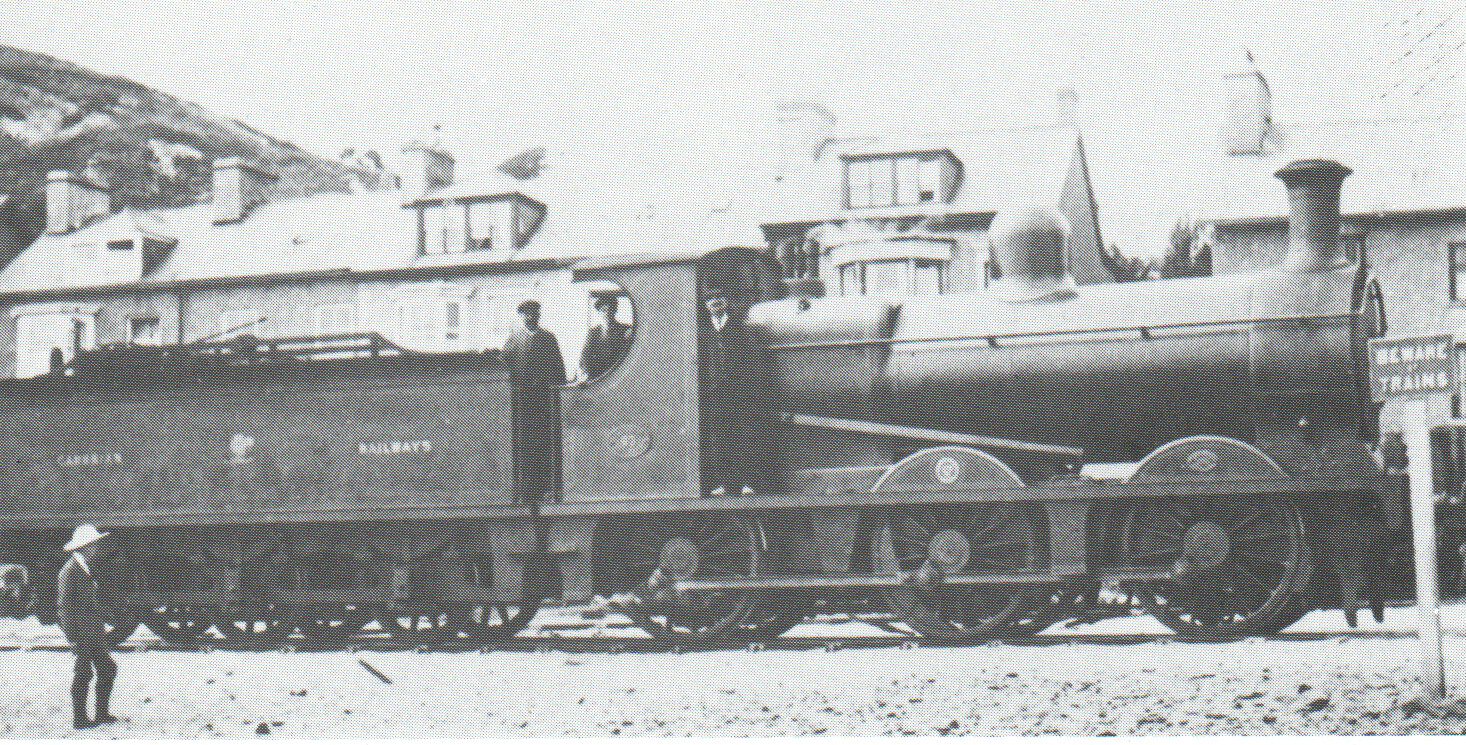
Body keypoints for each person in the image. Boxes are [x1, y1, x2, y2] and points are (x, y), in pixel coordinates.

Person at [699, 286, 772, 497]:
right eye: (710, 298)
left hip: (740, 392)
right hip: (715, 393)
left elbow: (753, 360)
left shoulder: (740, 327)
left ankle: (748, 482)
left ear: (726, 300)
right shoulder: (703, 332)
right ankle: (724, 483)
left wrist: (750, 387)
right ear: (706, 305)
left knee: (745, 435)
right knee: (719, 437)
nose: (715, 301)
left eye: (719, 296)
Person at [503, 300, 567, 503]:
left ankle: (546, 487)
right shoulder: (513, 340)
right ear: (521, 317)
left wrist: (558, 392)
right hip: (522, 402)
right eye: (527, 314)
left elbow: (559, 367)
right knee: (524, 443)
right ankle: (527, 489)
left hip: (545, 400)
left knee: (545, 442)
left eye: (535, 314)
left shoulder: (548, 338)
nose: (531, 317)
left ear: (539, 315)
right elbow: (505, 369)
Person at [57, 524, 119, 730]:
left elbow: (88, 602)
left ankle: (101, 714)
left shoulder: (82, 567)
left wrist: (106, 615)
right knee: (84, 673)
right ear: (83, 547)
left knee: (108, 668)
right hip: (82, 633)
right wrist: (72, 638)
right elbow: (64, 607)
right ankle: (80, 719)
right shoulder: (69, 571)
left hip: (93, 631)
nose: (96, 548)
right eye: (93, 545)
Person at [578, 295, 633, 380]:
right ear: (599, 312)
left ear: (615, 310)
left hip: (619, 375)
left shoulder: (625, 330)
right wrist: (584, 373)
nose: (606, 313)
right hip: (597, 376)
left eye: (610, 310)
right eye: (603, 310)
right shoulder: (593, 332)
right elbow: (585, 356)